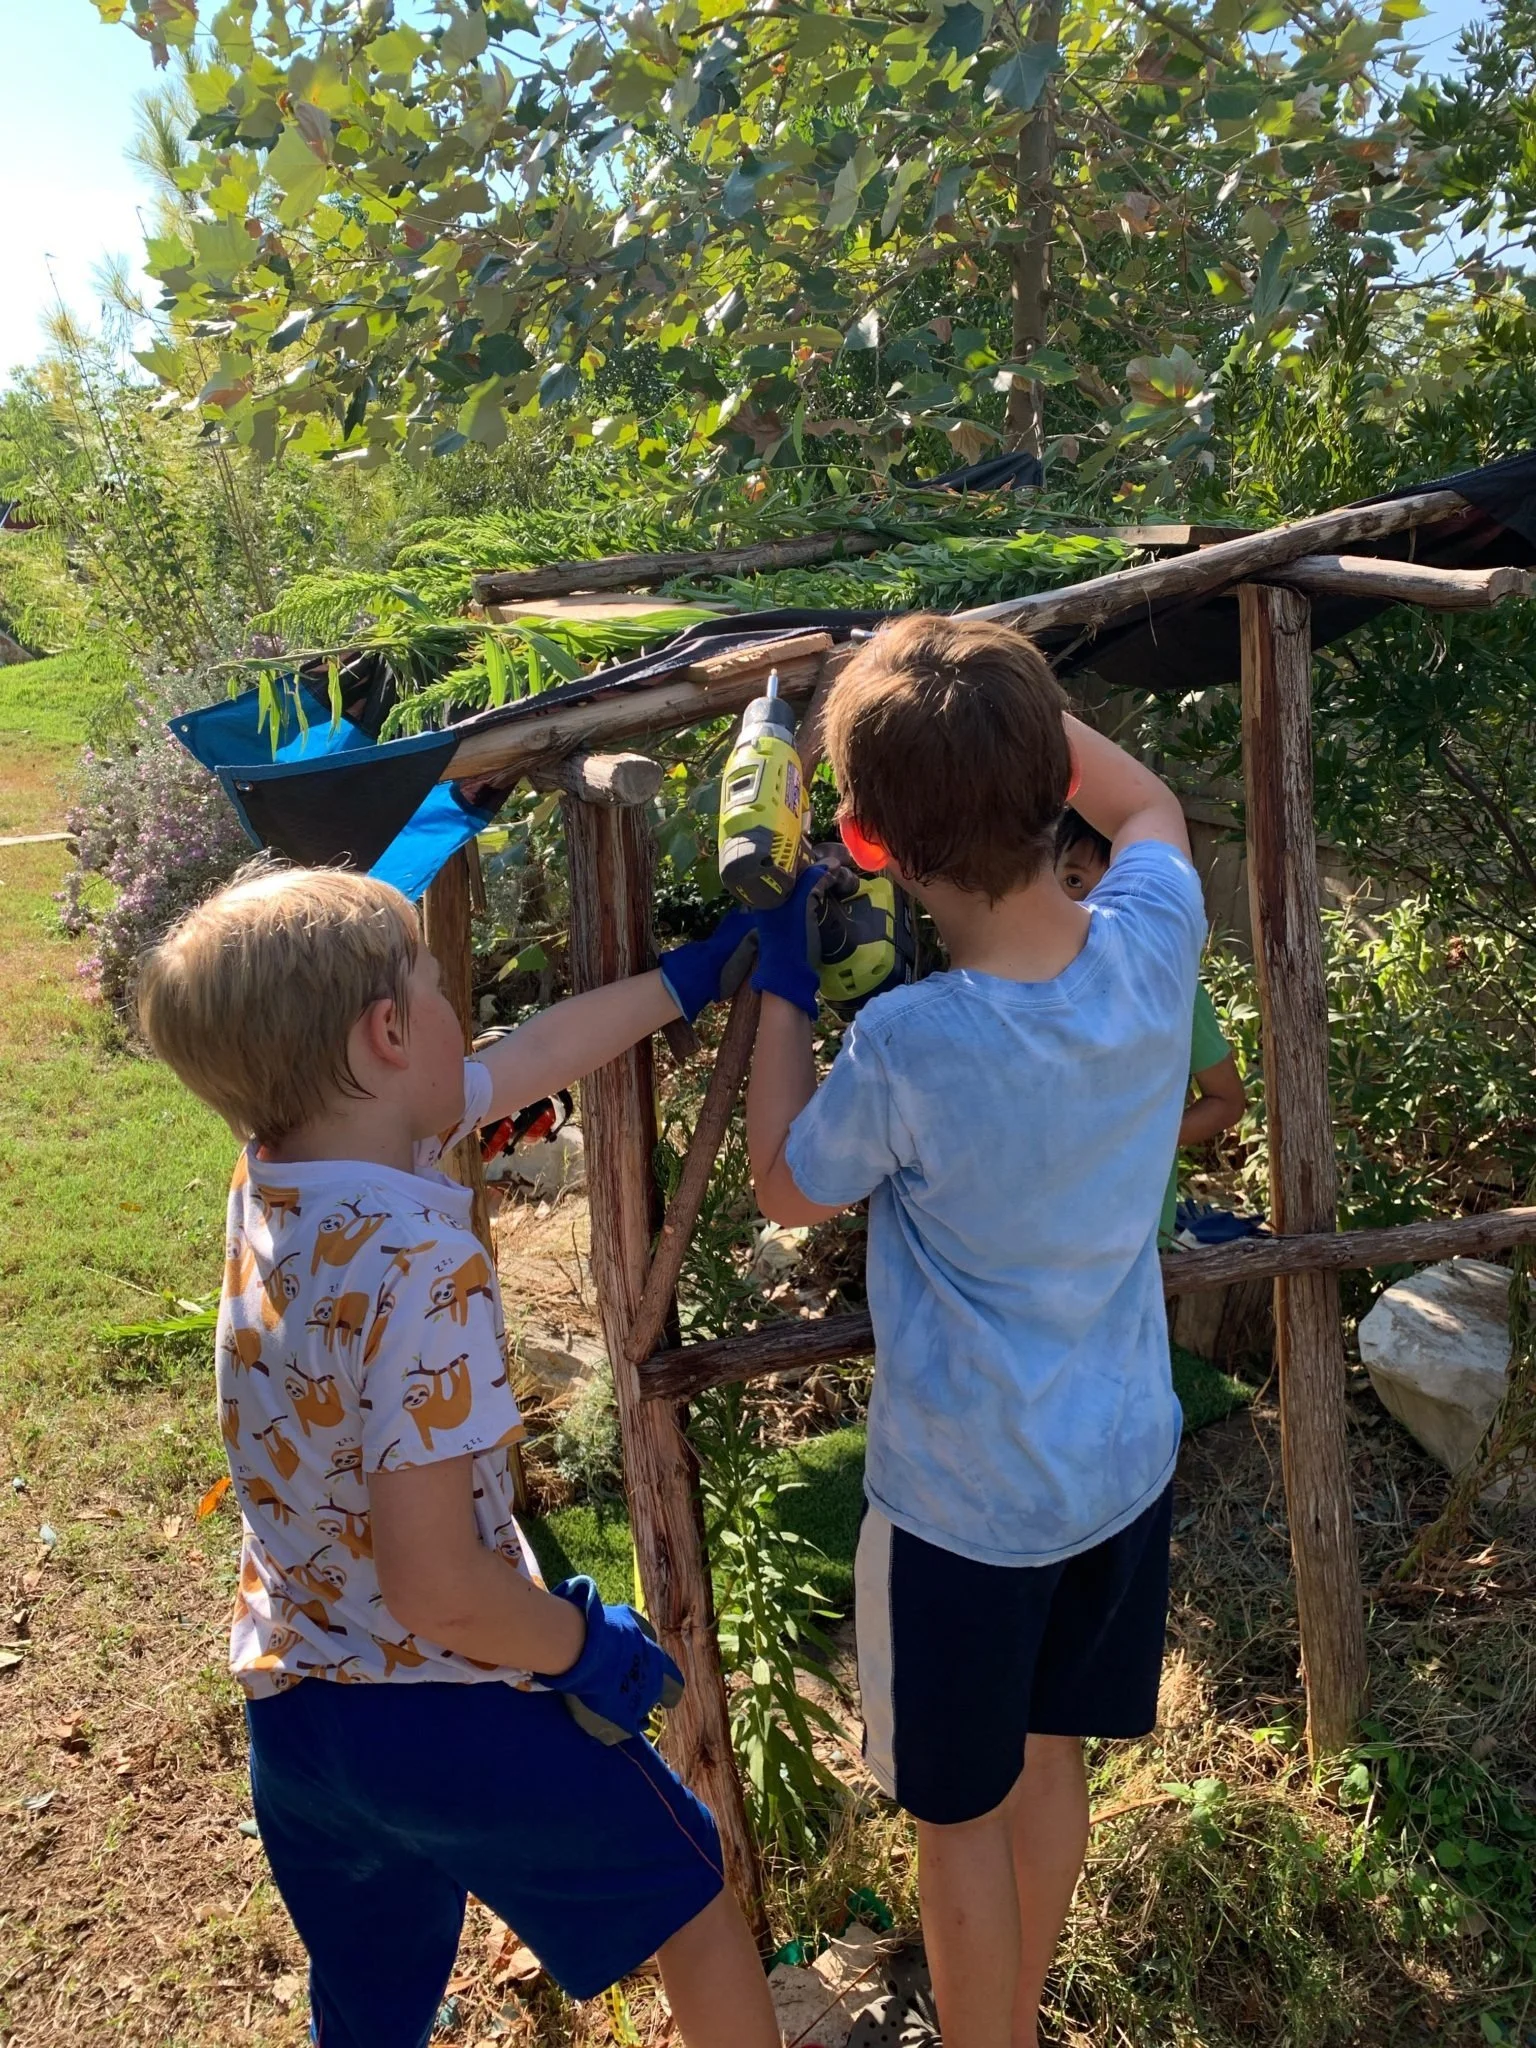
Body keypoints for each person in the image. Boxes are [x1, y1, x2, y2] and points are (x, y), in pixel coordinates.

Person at [136, 864, 777, 2048]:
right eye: (438, 989)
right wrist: (584, 1648)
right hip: (449, 1710)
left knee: (372, 2003)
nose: (460, 1015)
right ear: (388, 1035)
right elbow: (438, 1584)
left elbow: (525, 1061)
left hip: (299, 1713)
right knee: (689, 1894)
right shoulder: (421, 1265)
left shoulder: (277, 1174)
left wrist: (687, 979)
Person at [742, 614, 1206, 2048]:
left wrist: (776, 975)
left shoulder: (911, 1047)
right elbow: (1148, 807)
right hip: (1118, 1469)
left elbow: (783, 1185)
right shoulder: (1152, 940)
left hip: (962, 1511)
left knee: (955, 1819)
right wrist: (998, 724)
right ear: (1045, 788)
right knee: (1049, 1761)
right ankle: (1020, 2009)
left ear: (872, 844)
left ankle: (986, 2032)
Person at [1055, 807, 1247, 1245]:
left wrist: (1142, 1137)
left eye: (1117, 890)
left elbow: (1226, 1100)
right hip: (1035, 1240)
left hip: (1130, 1239)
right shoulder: (1021, 981)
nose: (1092, 907)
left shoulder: (1173, 987)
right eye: (1073, 882)